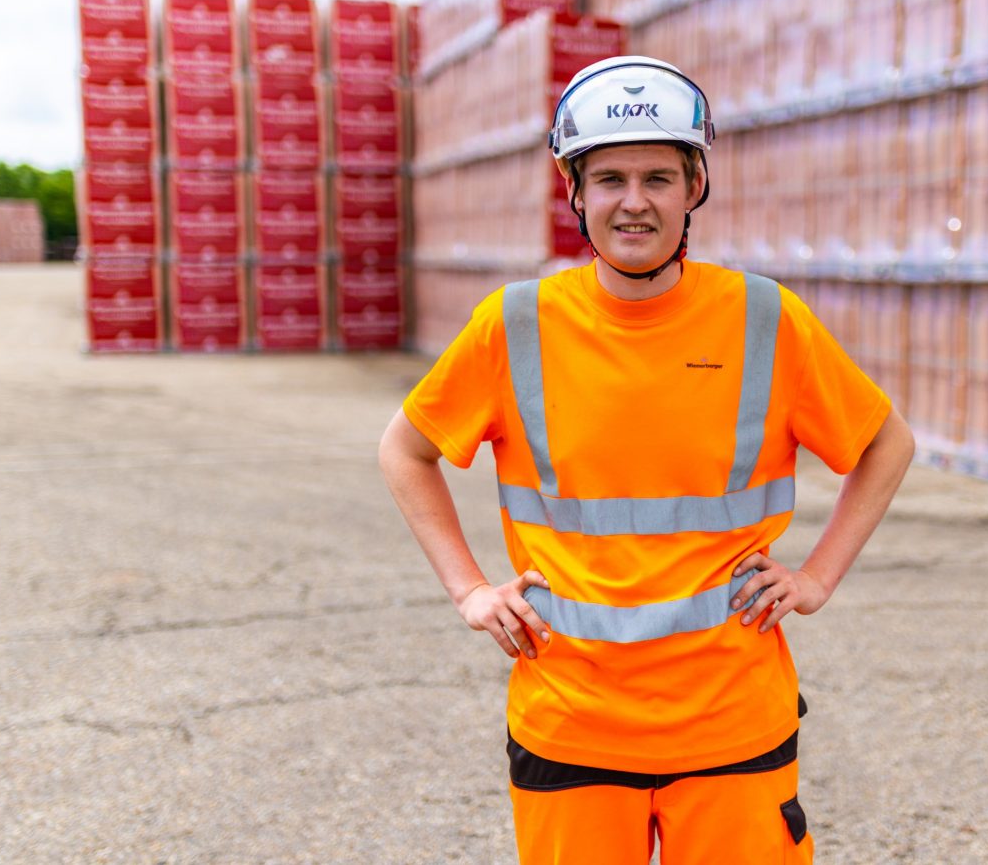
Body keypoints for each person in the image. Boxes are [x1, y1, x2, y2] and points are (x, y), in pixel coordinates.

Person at [379, 56, 914, 864]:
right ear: (576, 192)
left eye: (659, 176)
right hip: (573, 722)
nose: (634, 202)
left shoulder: (765, 318)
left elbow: (884, 443)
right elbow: (407, 448)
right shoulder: (516, 324)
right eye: (610, 179)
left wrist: (817, 579)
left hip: (731, 722)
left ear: (695, 185)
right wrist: (468, 590)